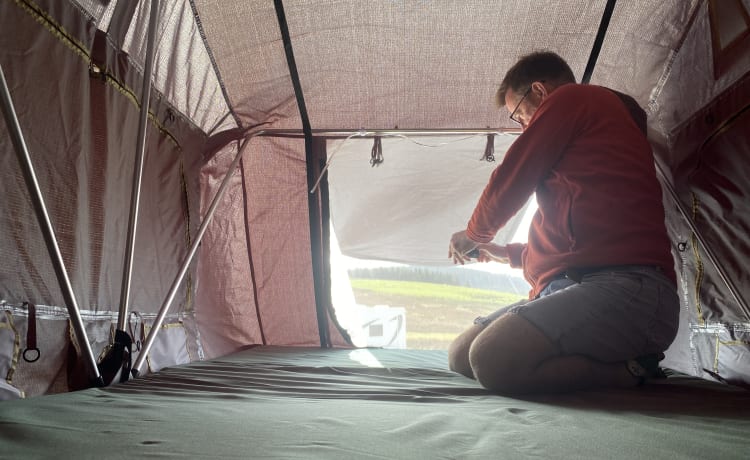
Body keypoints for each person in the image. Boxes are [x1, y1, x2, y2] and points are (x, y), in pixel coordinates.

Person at [447, 51, 679, 395]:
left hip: (628, 288)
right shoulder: (590, 141)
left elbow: (513, 176)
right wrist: (507, 255)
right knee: (461, 356)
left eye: (518, 115)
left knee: (491, 358)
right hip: (575, 283)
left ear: (539, 92)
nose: (523, 125)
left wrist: (473, 234)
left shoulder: (574, 97)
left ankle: (631, 371)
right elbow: (578, 239)